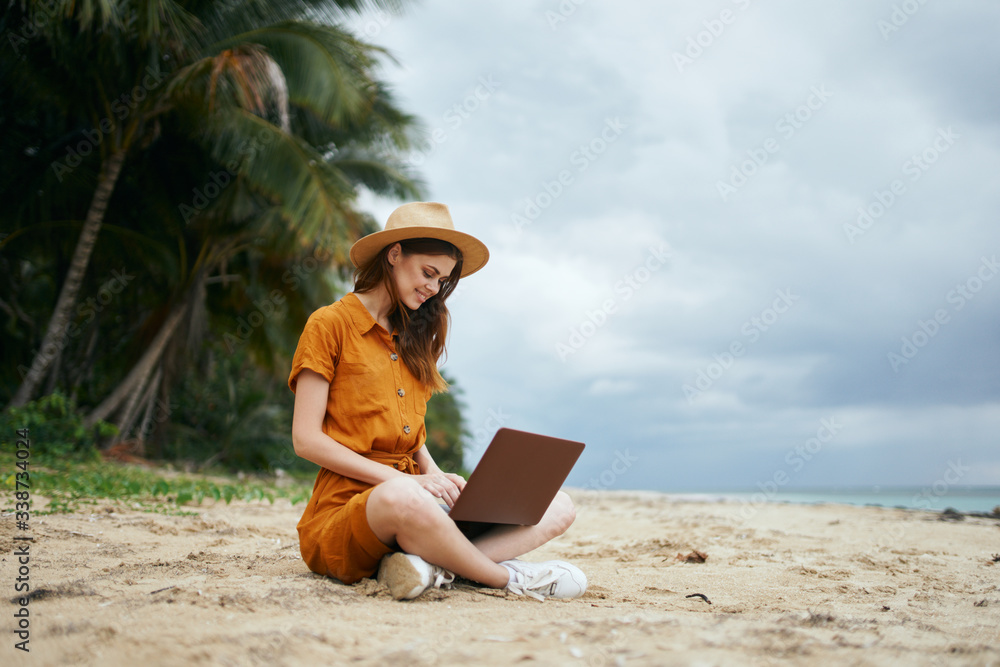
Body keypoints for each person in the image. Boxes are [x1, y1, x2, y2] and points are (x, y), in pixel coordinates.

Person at [288, 202, 587, 601]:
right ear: (394, 254)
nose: (433, 287)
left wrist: (440, 478)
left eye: (442, 280)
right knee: (402, 498)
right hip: (353, 513)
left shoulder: (416, 335)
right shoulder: (329, 324)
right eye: (428, 273)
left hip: (419, 502)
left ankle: (431, 566)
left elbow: (410, 435)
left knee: (559, 504)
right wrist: (411, 482)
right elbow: (306, 440)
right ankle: (505, 579)